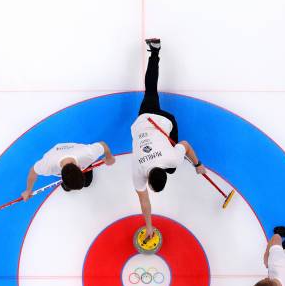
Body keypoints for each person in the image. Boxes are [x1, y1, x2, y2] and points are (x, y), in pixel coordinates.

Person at [131, 38, 205, 238]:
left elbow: (144, 202)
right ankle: (154, 53)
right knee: (151, 88)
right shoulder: (139, 171)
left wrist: (199, 164)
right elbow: (186, 146)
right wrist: (197, 163)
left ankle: (155, 52)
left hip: (158, 120)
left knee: (173, 168)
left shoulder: (169, 160)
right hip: (150, 119)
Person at [22, 141, 115, 200]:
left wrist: (109, 157)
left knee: (87, 183)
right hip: (57, 152)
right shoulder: (48, 165)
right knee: (67, 189)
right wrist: (28, 190)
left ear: (80, 168)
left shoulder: (87, 154)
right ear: (60, 176)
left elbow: (103, 144)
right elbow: (33, 171)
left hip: (76, 151)